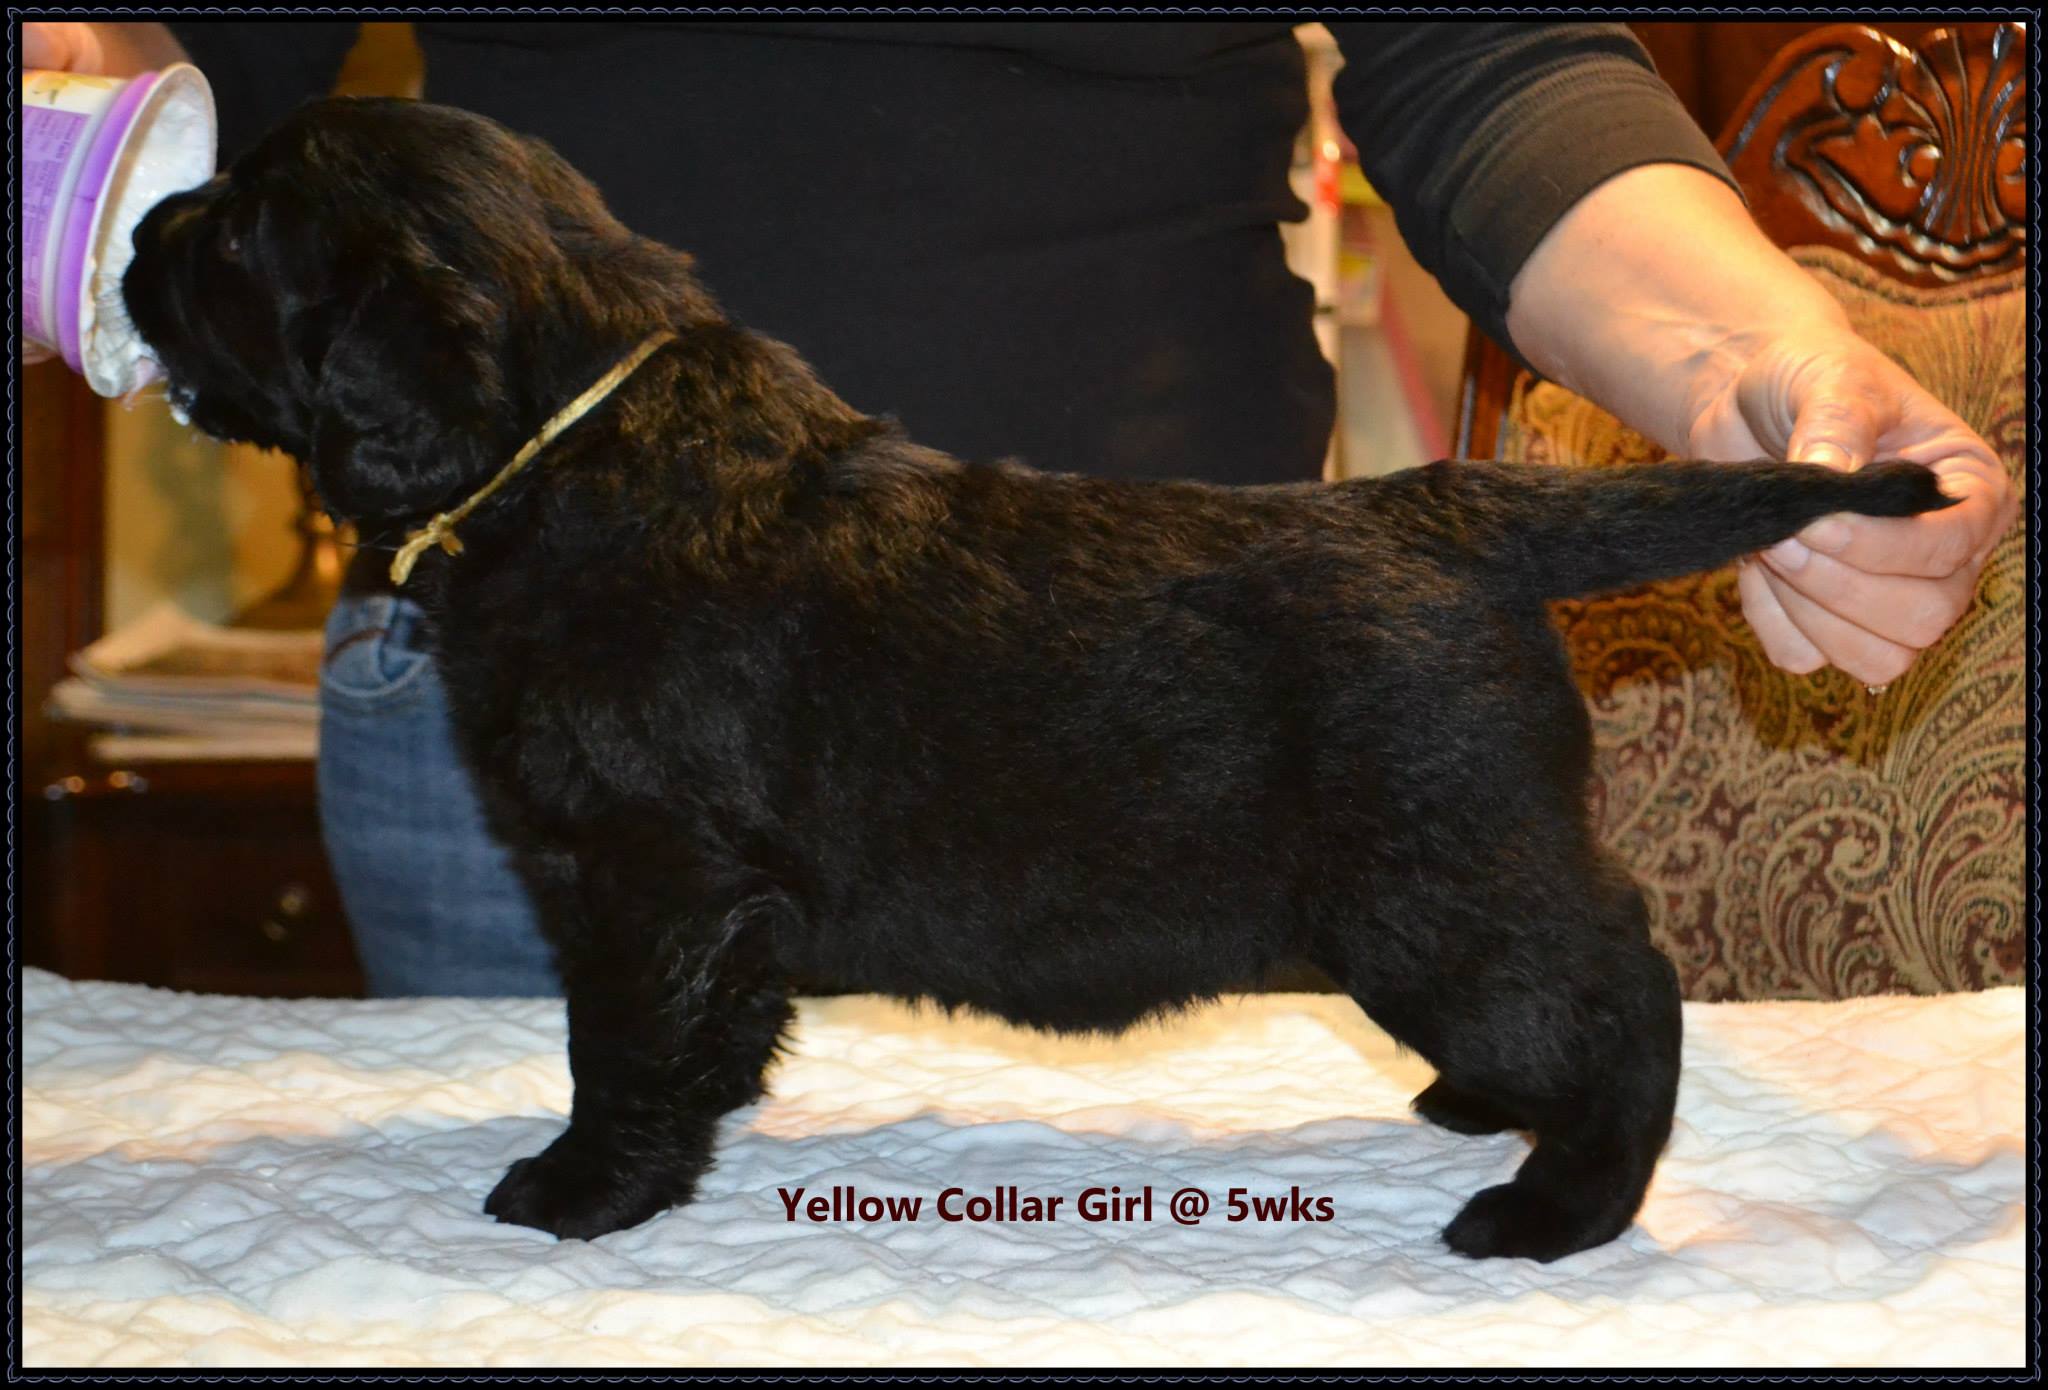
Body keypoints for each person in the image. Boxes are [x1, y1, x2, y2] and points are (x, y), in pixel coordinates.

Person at [24, 20, 2017, 997]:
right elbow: (191, 75)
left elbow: (1483, 55)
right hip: (555, 721)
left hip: (1171, 736)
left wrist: (1756, 358)